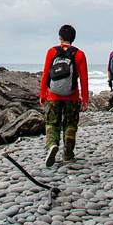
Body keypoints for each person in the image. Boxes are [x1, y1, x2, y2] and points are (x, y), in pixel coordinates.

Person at [40, 24, 89, 166]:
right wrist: (85, 99)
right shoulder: (79, 54)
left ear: (60, 38)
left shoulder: (51, 51)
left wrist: (43, 94)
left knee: (51, 123)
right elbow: (84, 78)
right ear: (73, 38)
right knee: (70, 125)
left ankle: (52, 145)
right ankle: (68, 154)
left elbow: (45, 74)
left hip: (53, 95)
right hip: (72, 96)